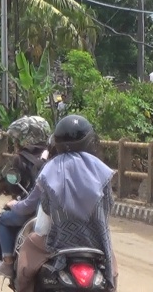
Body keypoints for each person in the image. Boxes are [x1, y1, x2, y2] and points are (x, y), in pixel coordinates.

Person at [14, 115, 117, 292]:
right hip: (96, 244)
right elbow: (108, 206)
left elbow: (45, 210)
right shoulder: (102, 170)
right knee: (113, 273)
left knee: (27, 253)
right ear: (89, 140)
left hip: (59, 244)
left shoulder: (50, 168)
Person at [0, 116, 51, 277]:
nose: (16, 142)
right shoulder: (54, 155)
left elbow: (7, 183)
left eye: (18, 138)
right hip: (57, 211)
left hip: (32, 209)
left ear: (29, 137)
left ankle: (7, 262)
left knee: (1, 220)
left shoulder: (20, 158)